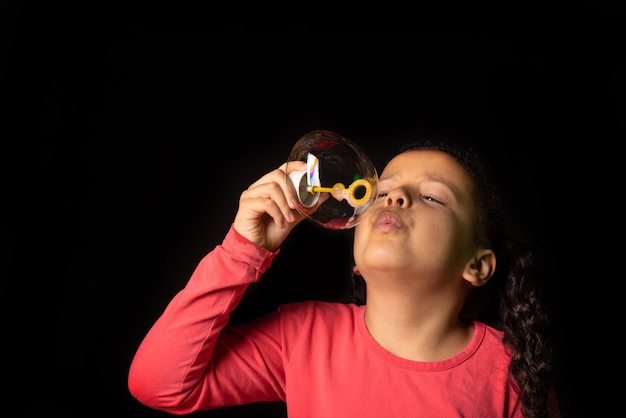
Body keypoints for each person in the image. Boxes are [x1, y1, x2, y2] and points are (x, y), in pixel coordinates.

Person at [128, 136, 561, 417]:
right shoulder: (304, 338)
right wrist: (244, 249)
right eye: (381, 189)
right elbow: (160, 384)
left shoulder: (509, 374)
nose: (394, 194)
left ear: (477, 264)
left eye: (431, 196)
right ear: (357, 258)